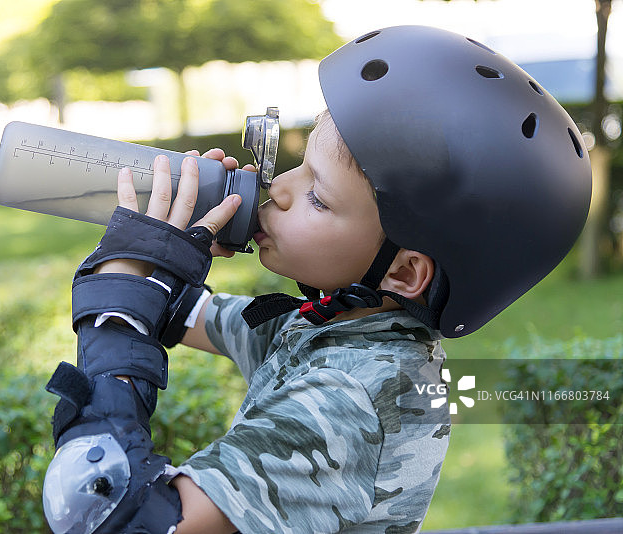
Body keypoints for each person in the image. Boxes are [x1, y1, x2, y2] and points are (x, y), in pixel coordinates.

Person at [43, 25, 592, 534]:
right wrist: (170, 244)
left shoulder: (350, 399)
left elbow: (111, 511)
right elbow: (187, 314)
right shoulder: (338, 326)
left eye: (318, 197)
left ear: (404, 272)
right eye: (300, 165)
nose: (279, 188)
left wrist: (117, 300)